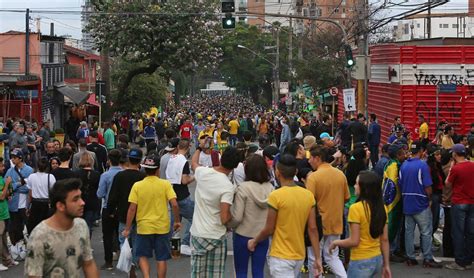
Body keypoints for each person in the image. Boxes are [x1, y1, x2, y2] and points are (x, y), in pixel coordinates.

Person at [248, 154, 323, 277]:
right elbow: (313, 229)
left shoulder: (276, 196)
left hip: (280, 255)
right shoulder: (308, 195)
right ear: (296, 171)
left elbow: (269, 228)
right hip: (299, 254)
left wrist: (254, 241)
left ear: (277, 172)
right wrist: (318, 257)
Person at [25, 178, 99, 277]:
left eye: (81, 197)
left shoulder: (81, 226)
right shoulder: (40, 236)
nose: (82, 203)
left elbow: (88, 264)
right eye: (75, 199)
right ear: (60, 206)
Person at [122, 154, 181, 278]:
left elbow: (132, 208)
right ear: (158, 169)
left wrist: (127, 228)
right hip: (162, 226)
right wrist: (176, 221)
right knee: (161, 257)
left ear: (143, 168)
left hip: (144, 226)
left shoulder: (137, 186)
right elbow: (174, 204)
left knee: (143, 255)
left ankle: (146, 276)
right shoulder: (165, 184)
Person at [190, 146, 240, 277]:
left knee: (197, 273)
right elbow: (224, 218)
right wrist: (232, 219)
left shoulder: (203, 172)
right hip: (216, 235)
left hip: (198, 233)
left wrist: (199, 148)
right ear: (234, 167)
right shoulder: (228, 187)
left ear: (221, 159)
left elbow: (193, 163)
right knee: (215, 274)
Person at [330, 171, 391, 278]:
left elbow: (354, 240)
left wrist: (336, 242)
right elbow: (384, 239)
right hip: (377, 258)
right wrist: (386, 265)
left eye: (357, 184)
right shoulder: (382, 208)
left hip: (360, 260)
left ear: (365, 188)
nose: (354, 186)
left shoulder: (355, 208)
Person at [306, 146, 349, 278]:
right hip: (336, 220)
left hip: (317, 223)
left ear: (317, 158)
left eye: (311, 158)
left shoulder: (313, 177)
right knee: (332, 256)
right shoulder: (340, 174)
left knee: (314, 256)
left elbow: (308, 201)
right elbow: (346, 197)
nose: (309, 161)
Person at [228, 154, 273, 278]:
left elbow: (237, 217)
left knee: (241, 271)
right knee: (258, 271)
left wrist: (228, 224)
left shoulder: (243, 188)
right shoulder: (270, 188)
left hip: (243, 234)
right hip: (262, 235)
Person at [399, 141, 442, 268]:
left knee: (409, 232)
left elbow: (400, 184)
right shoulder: (422, 166)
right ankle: (427, 258)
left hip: (407, 202)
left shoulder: (404, 165)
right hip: (421, 202)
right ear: (421, 151)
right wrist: (429, 199)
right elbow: (428, 186)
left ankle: (410, 257)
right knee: (426, 232)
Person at [107, 148, 145, 277]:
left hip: (123, 214)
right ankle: (134, 262)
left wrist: (110, 211)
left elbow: (112, 196)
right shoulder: (142, 176)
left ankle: (129, 265)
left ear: (128, 159)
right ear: (140, 160)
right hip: (141, 215)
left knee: (125, 240)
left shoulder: (120, 176)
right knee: (138, 241)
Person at [444, 144, 474, 270]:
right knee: (470, 232)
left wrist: (451, 169)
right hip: (472, 202)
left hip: (459, 201)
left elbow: (448, 184)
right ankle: (468, 259)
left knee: (458, 232)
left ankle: (460, 262)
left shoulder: (456, 168)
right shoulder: (472, 165)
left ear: (455, 154)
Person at [165, 139, 195, 256]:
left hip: (172, 194)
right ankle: (185, 243)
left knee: (175, 221)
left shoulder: (171, 159)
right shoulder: (183, 161)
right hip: (183, 195)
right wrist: (194, 176)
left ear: (178, 146)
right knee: (194, 218)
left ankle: (171, 246)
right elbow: (184, 180)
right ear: (188, 148)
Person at [96, 149, 123, 270]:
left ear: (109, 161)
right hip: (122, 207)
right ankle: (124, 258)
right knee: (121, 233)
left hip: (108, 207)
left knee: (107, 235)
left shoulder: (105, 175)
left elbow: (100, 193)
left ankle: (108, 261)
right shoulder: (123, 173)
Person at [382, 143, 406, 262]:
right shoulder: (394, 166)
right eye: (403, 153)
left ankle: (394, 249)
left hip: (392, 201)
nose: (405, 154)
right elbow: (395, 185)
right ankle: (390, 251)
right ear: (398, 154)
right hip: (394, 202)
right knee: (393, 226)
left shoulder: (391, 163)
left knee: (396, 226)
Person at [4, 149, 33, 246]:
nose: (12, 159)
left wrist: (14, 186)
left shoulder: (29, 170)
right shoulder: (9, 171)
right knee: (15, 227)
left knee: (28, 226)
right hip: (13, 203)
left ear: (20, 158)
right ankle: (17, 247)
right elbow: (6, 185)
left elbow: (29, 187)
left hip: (25, 203)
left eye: (14, 157)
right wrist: (19, 183)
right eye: (11, 157)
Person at [26, 157, 56, 234]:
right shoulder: (51, 177)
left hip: (35, 204)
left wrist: (27, 207)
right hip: (46, 204)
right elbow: (53, 193)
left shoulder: (31, 177)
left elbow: (30, 194)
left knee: (34, 227)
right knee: (47, 228)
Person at [74, 152, 101, 236]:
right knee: (88, 224)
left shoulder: (76, 173)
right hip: (92, 202)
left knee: (78, 225)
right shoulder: (96, 174)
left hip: (79, 201)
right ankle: (87, 243)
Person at [0, 157, 16, 271]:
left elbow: (5, 195)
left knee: (4, 238)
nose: (3, 167)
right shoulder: (3, 180)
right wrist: (7, 184)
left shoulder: (1, 178)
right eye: (1, 165)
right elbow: (1, 196)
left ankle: (7, 260)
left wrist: (8, 193)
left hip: (5, 212)